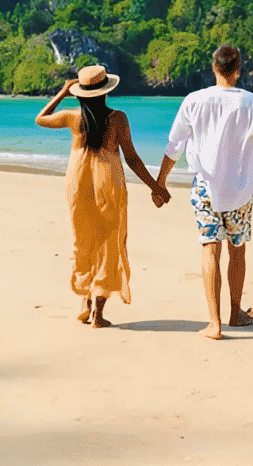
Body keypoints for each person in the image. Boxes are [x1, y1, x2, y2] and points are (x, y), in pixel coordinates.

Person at [157, 44, 253, 340]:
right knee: (237, 250)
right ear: (237, 71)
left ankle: (214, 323)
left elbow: (174, 145)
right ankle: (235, 313)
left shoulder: (194, 100)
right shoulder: (252, 103)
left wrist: (160, 182)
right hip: (240, 192)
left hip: (205, 188)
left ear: (214, 68)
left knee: (209, 248)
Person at [36, 65, 170, 328]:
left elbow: (40, 118)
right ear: (105, 91)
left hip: (78, 182)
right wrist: (155, 186)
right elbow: (131, 158)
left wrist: (63, 92)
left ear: (81, 94)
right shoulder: (118, 118)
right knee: (110, 243)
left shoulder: (72, 118)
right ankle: (98, 311)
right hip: (109, 183)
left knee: (83, 241)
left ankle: (85, 303)